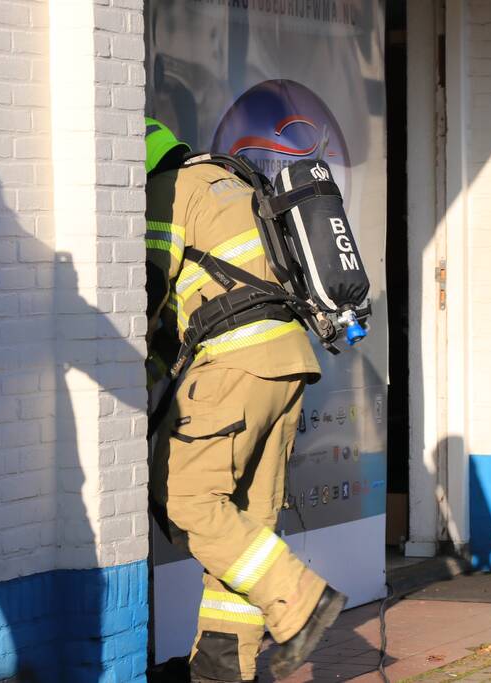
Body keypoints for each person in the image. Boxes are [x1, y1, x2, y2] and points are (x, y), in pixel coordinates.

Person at [143, 118, 346, 682]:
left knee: (188, 500)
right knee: (247, 522)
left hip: (234, 365)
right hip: (287, 363)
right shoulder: (230, 181)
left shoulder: (166, 190)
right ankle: (223, 669)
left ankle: (300, 602)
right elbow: (193, 308)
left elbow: (148, 291)